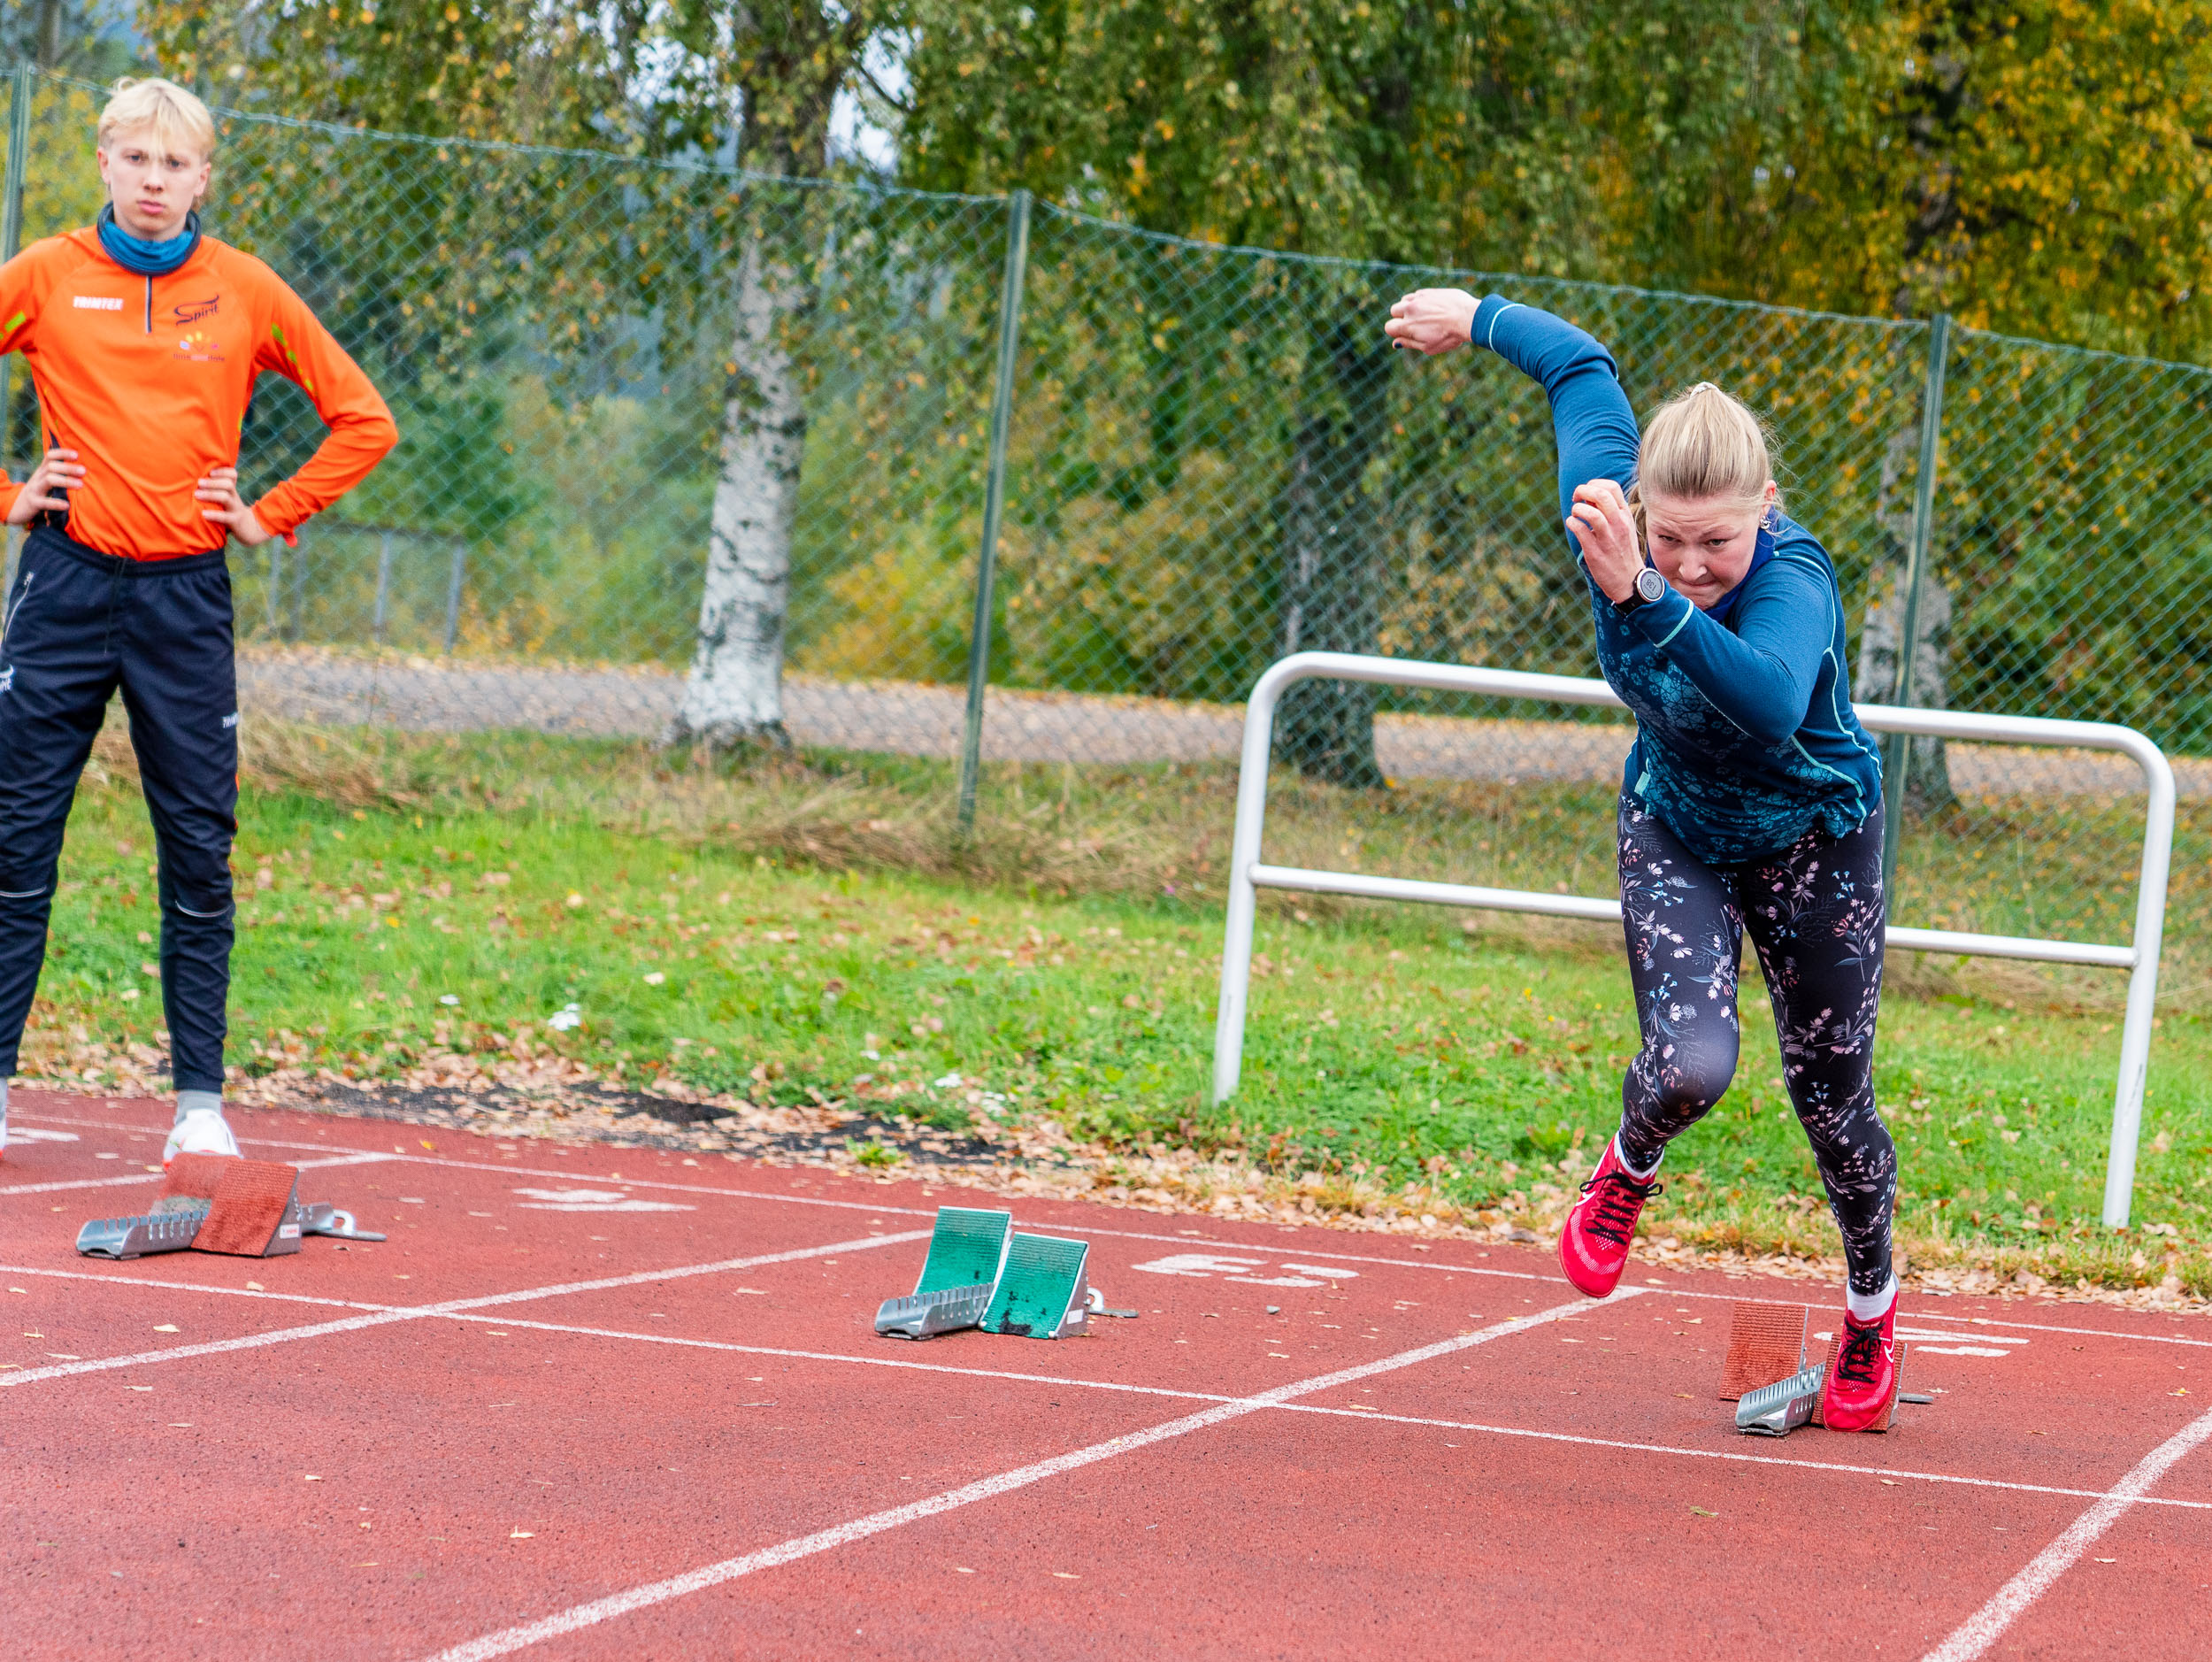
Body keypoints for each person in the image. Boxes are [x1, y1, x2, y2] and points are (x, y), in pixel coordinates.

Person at [1384, 289, 1899, 1431]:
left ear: (1766, 509)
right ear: (1637, 506)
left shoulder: (1793, 579)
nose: (1695, 562)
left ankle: (1871, 1311)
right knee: (1690, 1067)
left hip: (1814, 838)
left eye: (1719, 541)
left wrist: (1645, 589)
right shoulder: (1610, 520)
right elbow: (1581, 369)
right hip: (1677, 825)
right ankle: (1625, 1168)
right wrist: (1474, 315)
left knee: (1833, 1105)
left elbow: (1769, 700)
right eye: (1671, 537)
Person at [0, 78, 397, 1166]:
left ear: (204, 178)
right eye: (136, 159)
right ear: (104, 163)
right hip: (65, 586)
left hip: (184, 599)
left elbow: (364, 419)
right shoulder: (45, 275)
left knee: (198, 853)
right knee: (16, 839)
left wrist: (269, 513)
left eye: (175, 164)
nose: (154, 181)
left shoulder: (245, 288)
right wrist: (11, 496)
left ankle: (199, 1106)